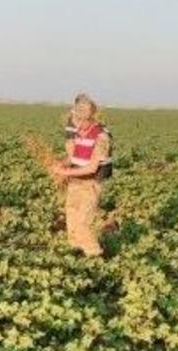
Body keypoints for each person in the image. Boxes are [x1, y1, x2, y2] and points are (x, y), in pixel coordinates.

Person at [42, 94, 113, 257]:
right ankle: (77, 254)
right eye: (73, 118)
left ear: (89, 117)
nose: (73, 123)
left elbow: (92, 168)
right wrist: (63, 163)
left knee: (82, 224)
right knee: (72, 223)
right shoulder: (82, 133)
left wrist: (64, 172)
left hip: (90, 185)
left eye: (76, 119)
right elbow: (75, 156)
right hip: (75, 184)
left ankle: (96, 257)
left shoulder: (101, 136)